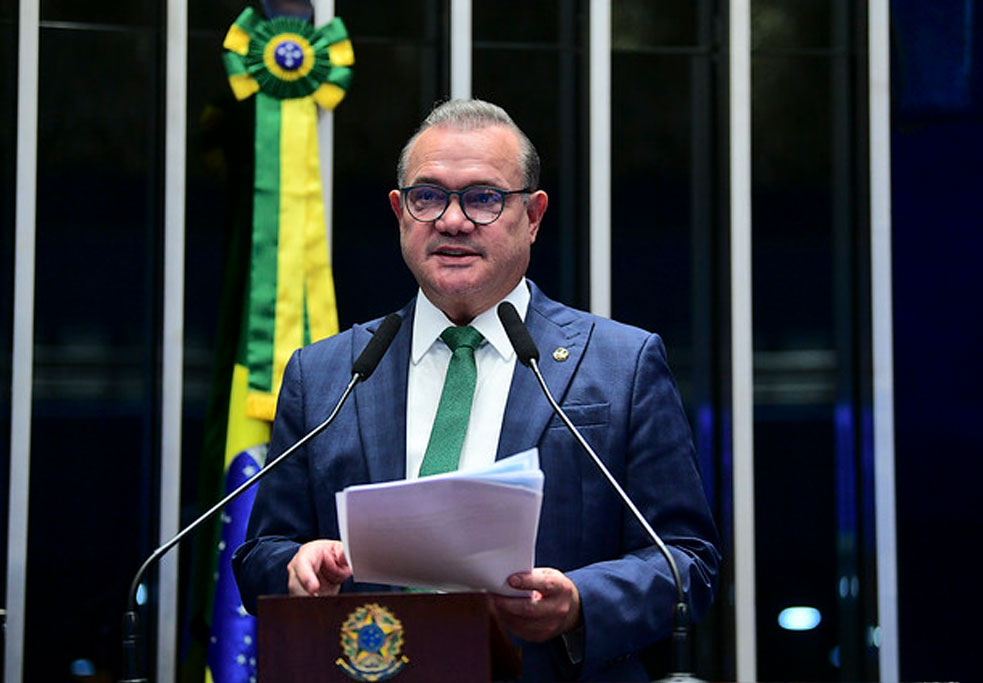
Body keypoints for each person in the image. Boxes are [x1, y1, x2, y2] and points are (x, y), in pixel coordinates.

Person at [233, 98, 720, 681]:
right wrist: (295, 566)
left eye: (484, 198)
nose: (453, 220)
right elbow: (261, 553)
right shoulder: (327, 373)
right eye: (428, 196)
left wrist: (579, 601)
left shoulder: (621, 364)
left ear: (534, 216)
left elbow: (688, 562)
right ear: (400, 212)